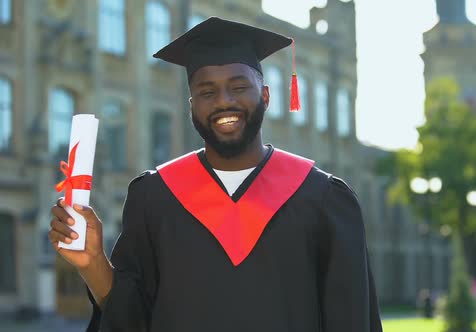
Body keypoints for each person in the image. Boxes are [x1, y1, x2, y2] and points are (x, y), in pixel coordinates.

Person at [48, 16, 383, 332]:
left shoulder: (323, 199)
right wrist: (92, 263)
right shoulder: (155, 198)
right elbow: (132, 318)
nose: (224, 101)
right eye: (207, 92)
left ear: (265, 96)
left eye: (239, 87)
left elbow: (350, 319)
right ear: (192, 104)